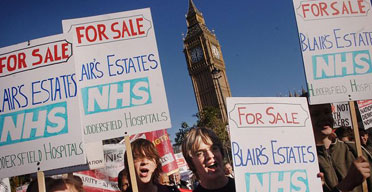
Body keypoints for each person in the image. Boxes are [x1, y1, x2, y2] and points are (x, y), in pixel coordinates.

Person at [309, 103, 372, 192]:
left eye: (327, 112)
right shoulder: (304, 161)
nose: (323, 117)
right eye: (315, 114)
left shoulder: (355, 150)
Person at [182, 127, 235, 192]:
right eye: (200, 153)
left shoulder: (244, 187)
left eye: (214, 148)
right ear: (191, 163)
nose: (210, 155)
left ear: (221, 153)